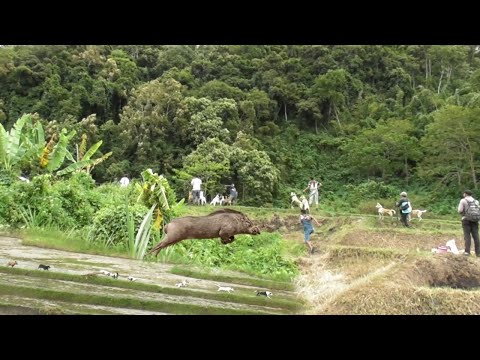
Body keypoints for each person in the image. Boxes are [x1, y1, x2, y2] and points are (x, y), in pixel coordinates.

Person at [457, 190, 480, 257]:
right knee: (476, 236)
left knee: (467, 236)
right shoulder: (476, 201)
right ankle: (478, 253)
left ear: (465, 194)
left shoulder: (463, 201)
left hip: (466, 220)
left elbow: (460, 210)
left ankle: (467, 252)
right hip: (475, 220)